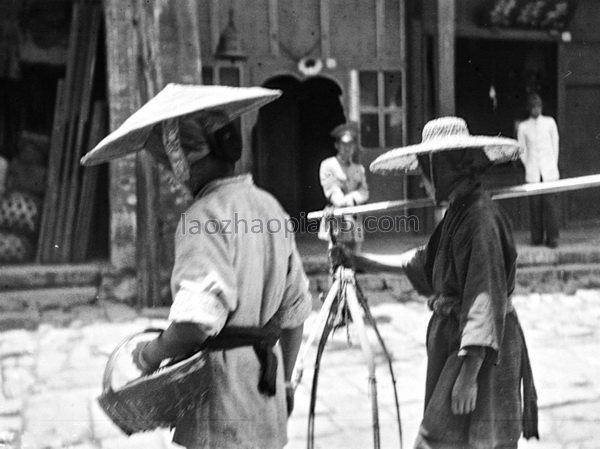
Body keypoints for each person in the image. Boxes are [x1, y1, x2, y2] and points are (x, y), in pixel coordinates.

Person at [130, 110, 313, 448]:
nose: (173, 176)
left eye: (170, 163)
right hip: (266, 392)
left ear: (186, 158)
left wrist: (149, 355)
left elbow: (194, 324)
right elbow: (295, 314)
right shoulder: (269, 206)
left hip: (222, 400)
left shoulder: (203, 215)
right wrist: (285, 386)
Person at [357, 117, 539, 449]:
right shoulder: (459, 210)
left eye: (427, 172)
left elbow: (484, 299)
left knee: (450, 442)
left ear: (445, 168)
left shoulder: (480, 219)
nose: (424, 183)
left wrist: (468, 377)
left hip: (480, 351)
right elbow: (426, 264)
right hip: (462, 343)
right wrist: (362, 263)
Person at [517, 93, 560, 248]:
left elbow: (555, 145)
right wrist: (529, 165)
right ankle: (536, 238)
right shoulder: (523, 127)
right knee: (535, 206)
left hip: (548, 170)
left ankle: (553, 238)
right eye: (533, 107)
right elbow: (522, 149)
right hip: (533, 171)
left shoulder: (550, 123)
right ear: (529, 108)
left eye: (538, 106)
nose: (536, 109)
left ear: (542, 107)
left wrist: (551, 164)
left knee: (551, 206)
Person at [318, 122, 369, 253]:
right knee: (336, 257)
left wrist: (353, 198)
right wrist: (343, 202)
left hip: (355, 216)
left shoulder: (358, 169)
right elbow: (331, 189)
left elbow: (364, 191)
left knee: (355, 258)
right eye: (344, 145)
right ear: (337, 146)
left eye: (351, 145)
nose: (347, 148)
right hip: (336, 216)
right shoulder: (328, 165)